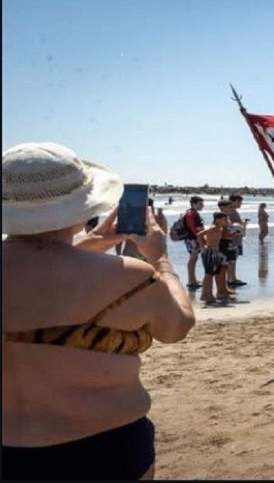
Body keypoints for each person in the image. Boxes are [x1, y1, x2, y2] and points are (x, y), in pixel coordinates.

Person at [2, 142, 195, 480]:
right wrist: (161, 259)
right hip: (104, 444)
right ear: (82, 207)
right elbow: (176, 326)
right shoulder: (130, 277)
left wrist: (90, 245)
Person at [196, 212, 232, 305]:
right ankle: (206, 294)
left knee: (214, 273)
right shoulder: (213, 228)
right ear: (218, 219)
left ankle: (209, 294)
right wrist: (203, 246)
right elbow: (199, 235)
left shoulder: (220, 228)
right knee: (209, 274)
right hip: (210, 252)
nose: (226, 221)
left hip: (216, 252)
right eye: (224, 219)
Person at [183, 196, 205, 290]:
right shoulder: (191, 213)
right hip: (193, 238)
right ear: (193, 204)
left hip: (192, 238)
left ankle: (192, 279)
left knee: (194, 258)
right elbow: (194, 228)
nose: (202, 205)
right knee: (193, 258)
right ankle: (191, 280)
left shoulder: (193, 213)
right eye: (200, 204)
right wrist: (200, 238)